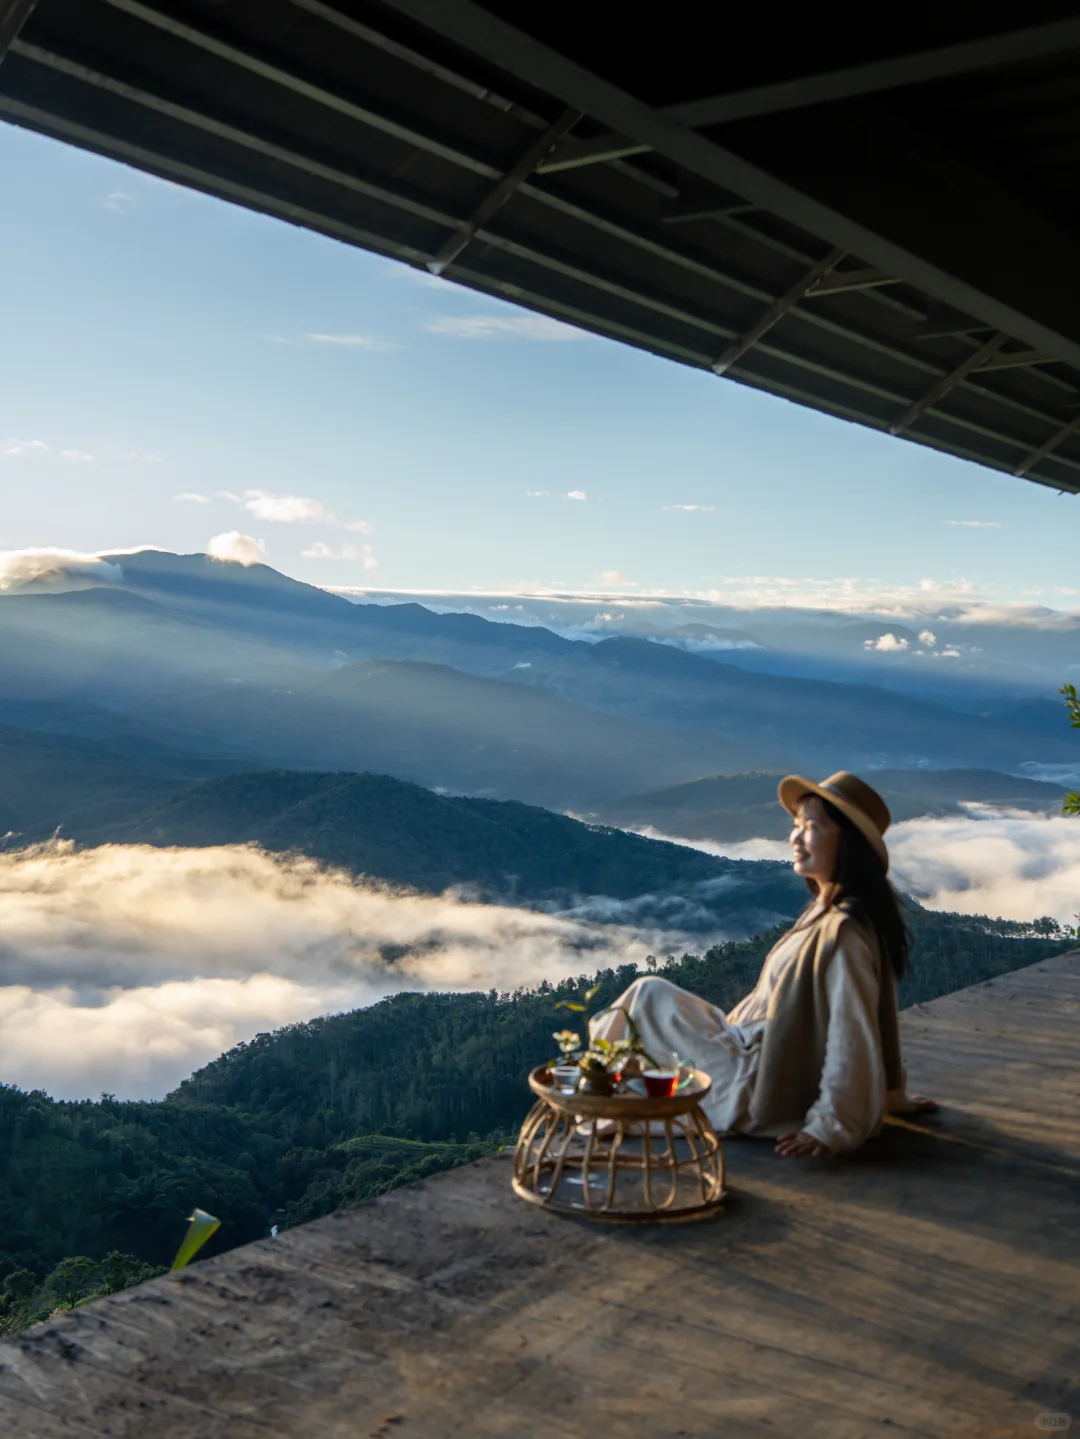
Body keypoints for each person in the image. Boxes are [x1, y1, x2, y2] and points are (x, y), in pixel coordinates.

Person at [590, 771, 938, 1158]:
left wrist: (831, 1126)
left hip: (761, 1083)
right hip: (755, 1053)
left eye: (811, 827)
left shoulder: (844, 931)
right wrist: (893, 1096)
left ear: (848, 844)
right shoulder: (830, 915)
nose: (795, 837)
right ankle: (606, 1097)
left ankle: (599, 1101)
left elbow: (852, 1031)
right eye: (796, 825)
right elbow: (879, 1020)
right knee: (650, 995)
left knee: (645, 999)